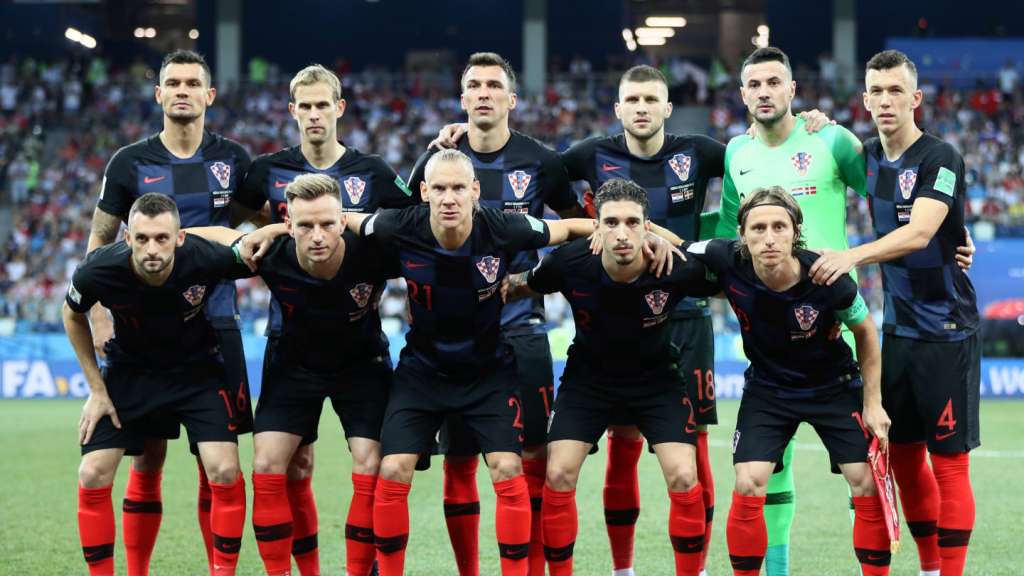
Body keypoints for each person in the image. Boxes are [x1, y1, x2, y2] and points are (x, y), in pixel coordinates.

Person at [343, 149, 675, 576]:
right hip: (422, 371)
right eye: (439, 188)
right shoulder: (397, 225)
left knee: (507, 467)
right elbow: (348, 219)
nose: (449, 198)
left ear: (475, 192)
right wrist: (287, 225)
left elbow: (567, 226)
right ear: (424, 192)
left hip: (488, 371)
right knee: (393, 467)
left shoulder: (501, 226)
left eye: (459, 188)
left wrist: (652, 235)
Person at [406, 52, 586, 576]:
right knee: (458, 464)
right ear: (462, 99)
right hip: (449, 340)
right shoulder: (433, 162)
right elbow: (401, 233)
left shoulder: (542, 162)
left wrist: (535, 282)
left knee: (531, 459)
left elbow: (576, 232)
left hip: (520, 330)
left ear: (512, 99)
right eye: (473, 86)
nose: (483, 93)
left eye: (493, 85)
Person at [234, 64, 418, 575]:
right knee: (288, 464)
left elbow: (411, 224)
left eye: (323, 105)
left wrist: (361, 224)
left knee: (372, 462)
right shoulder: (265, 171)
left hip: (360, 348)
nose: (314, 114)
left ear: (339, 109)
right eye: (305, 106)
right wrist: (267, 234)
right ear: (293, 112)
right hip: (290, 345)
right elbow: (232, 224)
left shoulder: (374, 171)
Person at [809, 49, 980, 576]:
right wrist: (815, 122)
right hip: (896, 333)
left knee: (949, 465)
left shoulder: (940, 157)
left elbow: (923, 231)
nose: (886, 101)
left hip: (946, 330)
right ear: (865, 99)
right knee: (902, 459)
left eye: (895, 91)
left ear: (916, 99)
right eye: (876, 92)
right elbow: (801, 140)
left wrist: (851, 257)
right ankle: (929, 567)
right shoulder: (867, 158)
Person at [84, 49, 254, 575]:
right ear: (159, 95)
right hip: (144, 332)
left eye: (192, 82)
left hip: (216, 325)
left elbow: (259, 225)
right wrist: (97, 315)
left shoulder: (234, 160)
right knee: (147, 457)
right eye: (172, 82)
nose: (182, 90)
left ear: (209, 95)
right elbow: (101, 241)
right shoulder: (130, 163)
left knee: (217, 465)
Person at [503, 179, 719, 576]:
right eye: (611, 222)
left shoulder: (674, 266)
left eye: (633, 223)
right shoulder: (568, 262)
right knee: (558, 472)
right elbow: (517, 288)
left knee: (685, 475)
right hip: (589, 379)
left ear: (647, 227)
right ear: (596, 227)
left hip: (657, 380)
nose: (622, 233)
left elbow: (736, 286)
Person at [191, 173, 395, 576]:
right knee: (267, 466)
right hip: (294, 365)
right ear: (288, 224)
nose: (317, 235)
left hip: (362, 364)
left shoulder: (376, 250)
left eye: (326, 224)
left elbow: (430, 236)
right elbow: (212, 234)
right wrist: (168, 231)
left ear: (343, 220)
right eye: (304, 225)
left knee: (370, 464)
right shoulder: (271, 252)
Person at [688, 186, 893, 576]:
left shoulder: (828, 277)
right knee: (749, 481)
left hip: (833, 386)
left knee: (864, 480)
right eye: (759, 227)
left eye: (779, 227)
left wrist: (874, 402)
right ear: (742, 235)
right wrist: (643, 233)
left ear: (795, 231)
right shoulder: (725, 257)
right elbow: (680, 246)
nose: (769, 237)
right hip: (768, 390)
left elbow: (866, 331)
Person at [66, 193, 250, 576]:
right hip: (130, 371)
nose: (152, 248)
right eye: (143, 238)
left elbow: (252, 250)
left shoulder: (204, 257)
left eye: (162, 238)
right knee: (92, 472)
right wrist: (97, 390)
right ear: (128, 237)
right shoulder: (97, 270)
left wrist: (277, 229)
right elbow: (72, 315)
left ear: (179, 238)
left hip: (198, 371)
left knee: (225, 470)